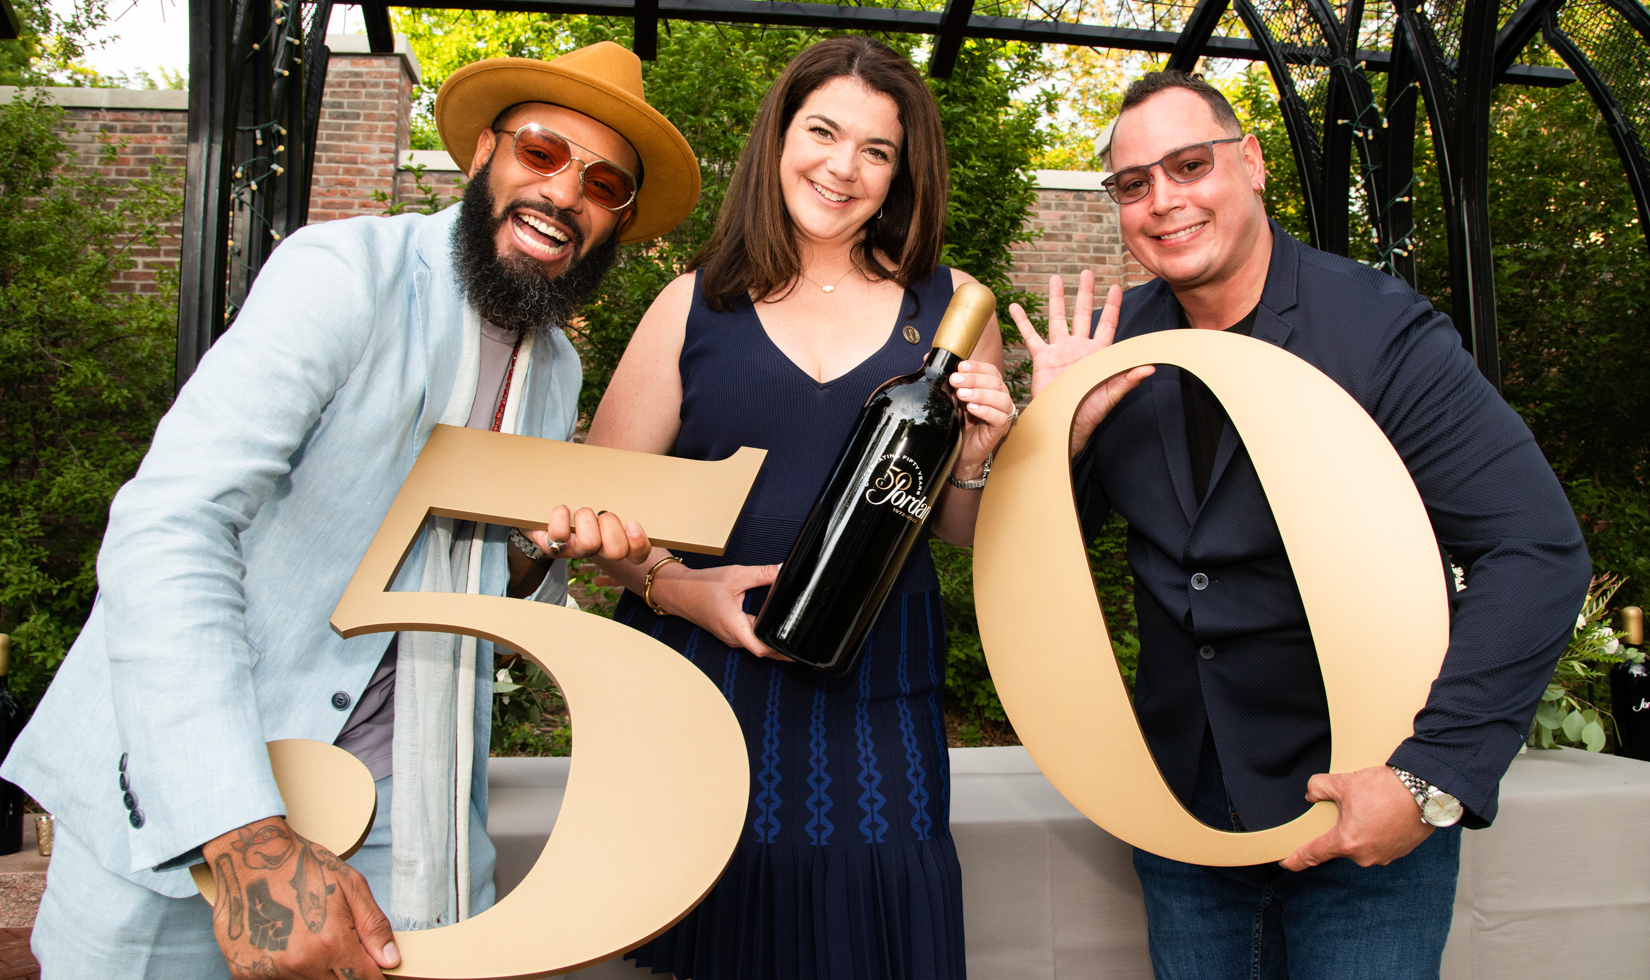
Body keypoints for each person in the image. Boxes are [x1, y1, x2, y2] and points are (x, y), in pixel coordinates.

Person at [2, 41, 696, 980]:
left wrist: (536, 557)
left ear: (615, 220)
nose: (567, 192)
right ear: (484, 152)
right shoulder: (343, 273)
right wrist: (245, 839)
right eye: (542, 153)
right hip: (192, 796)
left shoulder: (556, 369)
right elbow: (169, 528)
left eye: (605, 183)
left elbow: (481, 599)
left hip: (407, 801)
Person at [1009, 70, 1591, 979]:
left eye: (1189, 165)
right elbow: (1039, 559)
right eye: (1134, 184)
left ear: (1251, 164)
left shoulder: (1379, 332)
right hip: (1180, 815)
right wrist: (1061, 436)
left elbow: (1536, 548)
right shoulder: (1113, 351)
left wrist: (1427, 779)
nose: (1164, 201)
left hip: (1362, 802)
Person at [585, 36, 1016, 980]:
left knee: (875, 934)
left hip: (876, 683)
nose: (842, 166)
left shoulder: (949, 314)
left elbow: (956, 531)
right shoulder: (690, 307)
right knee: (721, 932)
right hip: (705, 679)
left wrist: (977, 461)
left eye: (877, 150)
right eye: (823, 131)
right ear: (780, 136)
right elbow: (597, 521)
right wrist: (677, 589)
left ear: (902, 173)